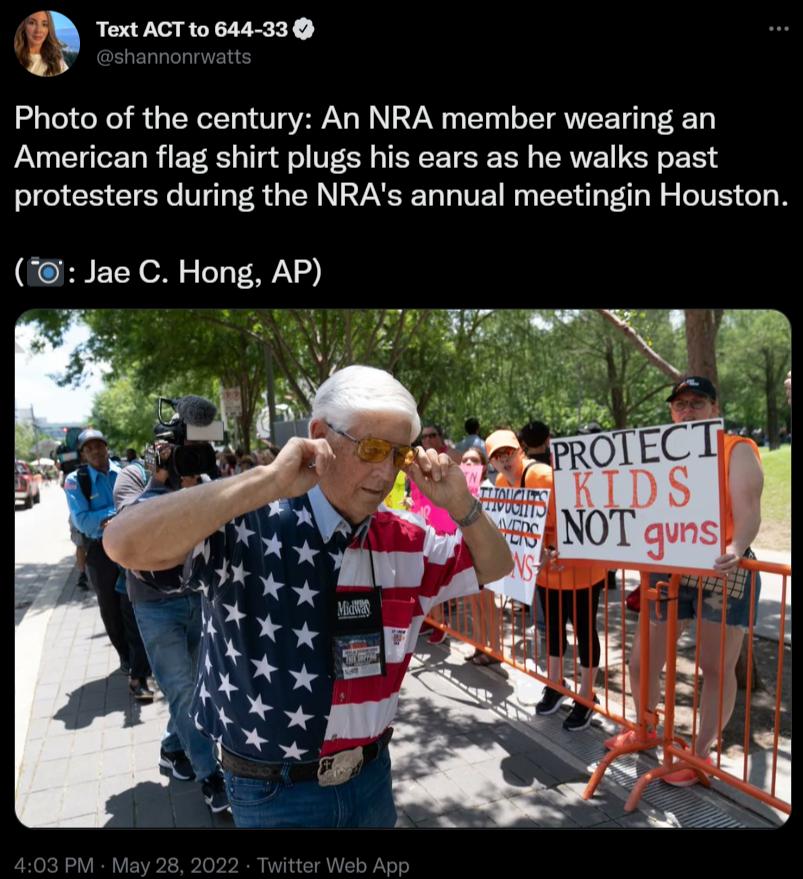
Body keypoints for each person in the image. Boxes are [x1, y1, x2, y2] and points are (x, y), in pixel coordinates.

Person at [104, 365, 513, 828]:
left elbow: (496, 566)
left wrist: (461, 505)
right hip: (274, 793)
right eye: (371, 449)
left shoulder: (406, 538)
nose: (384, 473)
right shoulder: (250, 520)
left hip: (371, 779)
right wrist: (268, 481)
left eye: (397, 456)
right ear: (319, 435)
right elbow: (122, 543)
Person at [608, 376, 764, 786]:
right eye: (681, 404)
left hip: (722, 570)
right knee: (642, 659)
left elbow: (748, 508)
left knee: (714, 667)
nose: (688, 410)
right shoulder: (657, 454)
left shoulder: (737, 450)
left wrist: (737, 545)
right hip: (669, 569)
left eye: (698, 402)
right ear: (671, 411)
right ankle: (647, 728)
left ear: (715, 408)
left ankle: (699, 754)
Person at [113, 429, 229, 814]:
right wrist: (160, 480)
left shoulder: (197, 476)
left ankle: (172, 746)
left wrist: (200, 486)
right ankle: (211, 776)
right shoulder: (132, 476)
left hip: (196, 595)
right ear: (155, 450)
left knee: (198, 688)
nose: (180, 458)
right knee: (181, 691)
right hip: (153, 604)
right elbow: (129, 524)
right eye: (171, 449)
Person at [486, 428, 608, 731]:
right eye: (497, 455)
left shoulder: (542, 476)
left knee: (584, 630)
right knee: (552, 628)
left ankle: (586, 695)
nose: (504, 459)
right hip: (545, 572)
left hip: (580, 568)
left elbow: (579, 515)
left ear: (520, 449)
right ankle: (555, 684)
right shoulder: (502, 482)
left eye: (508, 452)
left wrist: (556, 549)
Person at [64, 430, 128, 672]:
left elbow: (140, 503)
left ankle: (141, 659)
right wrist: (120, 512)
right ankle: (126, 656)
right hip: (99, 551)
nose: (95, 451)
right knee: (110, 607)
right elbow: (84, 522)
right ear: (83, 454)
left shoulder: (124, 473)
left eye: (98, 445)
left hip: (130, 543)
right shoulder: (75, 480)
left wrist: (107, 516)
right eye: (88, 448)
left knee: (134, 601)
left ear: (106, 447)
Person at [460, 446, 501, 665]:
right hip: (467, 555)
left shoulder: (487, 489)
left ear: (483, 467)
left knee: (487, 604)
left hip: (485, 556)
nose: (467, 464)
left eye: (473, 460)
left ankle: (495, 650)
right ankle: (479, 645)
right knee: (473, 603)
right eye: (464, 460)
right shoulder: (461, 490)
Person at [14, 11, 69, 76]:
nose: (38, 30)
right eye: (32, 23)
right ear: (23, 27)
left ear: (49, 29)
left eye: (44, 24)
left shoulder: (57, 61)